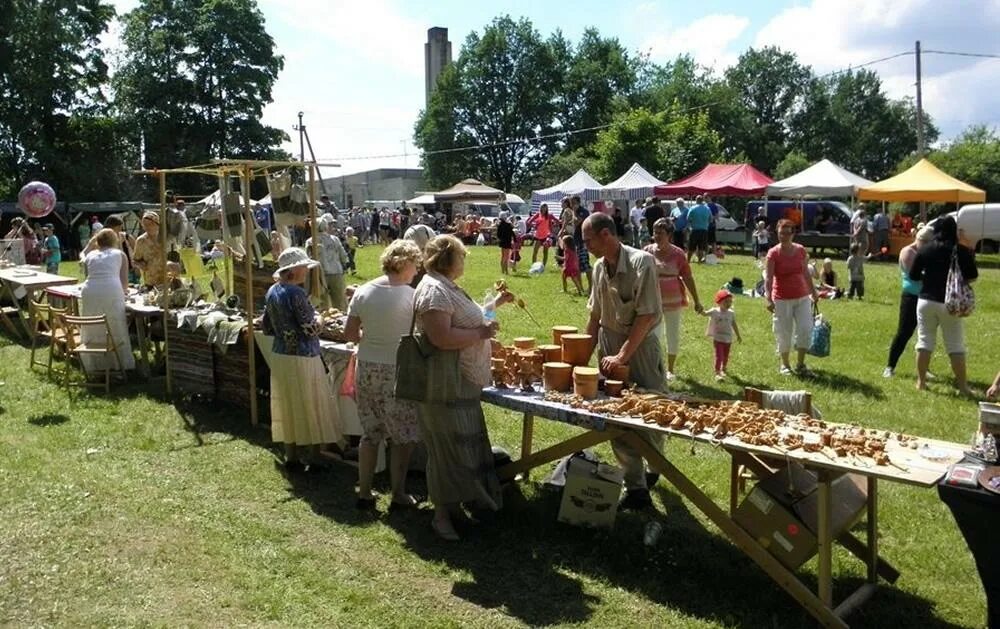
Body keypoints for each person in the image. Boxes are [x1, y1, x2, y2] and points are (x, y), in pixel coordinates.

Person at [413, 234, 512, 541]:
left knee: (459, 446)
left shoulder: (446, 286)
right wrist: (481, 332)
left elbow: (469, 321)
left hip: (461, 381)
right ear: (447, 259)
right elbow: (441, 337)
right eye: (462, 255)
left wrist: (494, 306)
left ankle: (455, 509)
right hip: (443, 382)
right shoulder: (432, 290)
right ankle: (441, 516)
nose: (465, 259)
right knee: (446, 448)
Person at [582, 212, 665, 511]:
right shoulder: (597, 268)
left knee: (652, 410)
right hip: (610, 345)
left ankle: (655, 469)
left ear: (606, 234)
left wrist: (622, 356)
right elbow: (594, 316)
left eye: (588, 239)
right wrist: (580, 355)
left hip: (639, 348)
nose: (586, 245)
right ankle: (636, 487)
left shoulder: (642, 262)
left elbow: (646, 316)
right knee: (615, 416)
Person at [344, 240, 424, 512]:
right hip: (396, 371)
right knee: (403, 435)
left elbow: (351, 335)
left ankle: (364, 492)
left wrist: (372, 337)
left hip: (366, 367)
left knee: (370, 433)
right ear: (405, 264)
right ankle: (398, 493)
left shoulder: (363, 291)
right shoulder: (411, 296)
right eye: (415, 265)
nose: (417, 271)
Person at [262, 247, 341, 470]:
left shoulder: (272, 291)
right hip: (303, 356)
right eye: (304, 266)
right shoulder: (295, 293)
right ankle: (315, 457)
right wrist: (322, 319)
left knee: (288, 405)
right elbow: (310, 328)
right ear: (294, 270)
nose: (306, 270)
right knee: (310, 403)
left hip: (280, 354)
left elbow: (266, 325)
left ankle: (292, 456)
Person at [908, 216, 978, 395]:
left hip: (925, 300)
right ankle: (962, 387)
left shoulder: (926, 249)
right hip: (950, 302)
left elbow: (914, 275)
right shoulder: (962, 251)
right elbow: (973, 276)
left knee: (924, 341)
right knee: (955, 345)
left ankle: (921, 382)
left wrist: (929, 277)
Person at [645, 218, 703, 380]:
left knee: (672, 333)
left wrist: (697, 300)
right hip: (652, 301)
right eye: (655, 232)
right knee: (653, 334)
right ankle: (655, 367)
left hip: (674, 300)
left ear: (669, 235)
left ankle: (670, 369)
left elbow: (688, 277)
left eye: (661, 233)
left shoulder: (678, 254)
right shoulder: (646, 252)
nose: (656, 236)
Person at [765, 219, 818, 376]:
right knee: (784, 332)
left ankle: (801, 364)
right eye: (782, 232)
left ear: (793, 234)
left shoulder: (800, 250)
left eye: (788, 232)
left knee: (805, 329)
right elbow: (768, 278)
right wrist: (768, 298)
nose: (785, 235)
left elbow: (805, 273)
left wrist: (813, 291)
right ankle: (785, 365)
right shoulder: (773, 253)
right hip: (781, 298)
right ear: (778, 233)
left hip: (802, 297)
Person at [79, 228, 135, 373]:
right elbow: (124, 283)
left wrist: (91, 244)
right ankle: (120, 363)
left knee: (93, 324)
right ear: (115, 240)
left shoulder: (91, 255)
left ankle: (96, 363)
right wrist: (126, 293)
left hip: (89, 290)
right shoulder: (120, 254)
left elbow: (87, 270)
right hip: (111, 289)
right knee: (115, 324)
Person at [884, 225, 934, 378]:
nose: (929, 247)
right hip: (911, 297)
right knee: (904, 333)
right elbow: (916, 275)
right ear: (919, 240)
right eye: (926, 244)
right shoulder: (908, 252)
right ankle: (890, 367)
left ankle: (924, 368)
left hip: (927, 297)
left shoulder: (927, 252)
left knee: (926, 335)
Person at [306, 220, 349, 311]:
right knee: (340, 301)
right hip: (336, 272)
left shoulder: (310, 241)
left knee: (322, 302)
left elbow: (308, 258)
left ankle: (325, 319)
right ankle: (342, 318)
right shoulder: (334, 239)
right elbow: (343, 255)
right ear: (325, 226)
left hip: (320, 274)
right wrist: (344, 264)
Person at [701, 289, 741, 381]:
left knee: (726, 356)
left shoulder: (731, 313)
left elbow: (734, 324)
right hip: (718, 338)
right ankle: (717, 372)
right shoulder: (714, 311)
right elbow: (705, 314)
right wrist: (700, 309)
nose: (728, 304)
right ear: (719, 302)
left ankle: (724, 368)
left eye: (730, 302)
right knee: (719, 356)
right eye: (726, 301)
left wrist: (738, 335)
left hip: (728, 339)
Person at [133, 211, 166, 288]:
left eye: (150, 224)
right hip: (150, 281)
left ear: (157, 224)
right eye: (145, 225)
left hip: (167, 279)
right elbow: (135, 260)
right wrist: (141, 265)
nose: (147, 227)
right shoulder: (141, 241)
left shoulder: (166, 238)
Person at [570, 196, 592, 293]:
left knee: (585, 264)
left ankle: (591, 287)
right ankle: (581, 287)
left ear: (578, 202)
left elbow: (577, 222)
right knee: (577, 265)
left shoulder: (583, 211)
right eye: (571, 203)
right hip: (576, 240)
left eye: (573, 203)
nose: (572, 205)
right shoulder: (575, 212)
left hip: (583, 241)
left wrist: (574, 213)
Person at [686, 195, 712, 263]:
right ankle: (699, 261)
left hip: (694, 230)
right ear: (702, 200)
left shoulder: (692, 208)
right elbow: (711, 219)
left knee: (691, 247)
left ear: (696, 200)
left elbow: (688, 218)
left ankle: (688, 260)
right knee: (701, 247)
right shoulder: (707, 209)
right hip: (704, 230)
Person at [496, 211, 515, 275]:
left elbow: (498, 235)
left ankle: (502, 270)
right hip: (507, 242)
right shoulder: (508, 225)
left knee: (503, 256)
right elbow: (512, 231)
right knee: (506, 257)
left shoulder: (499, 225)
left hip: (502, 242)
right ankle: (506, 271)